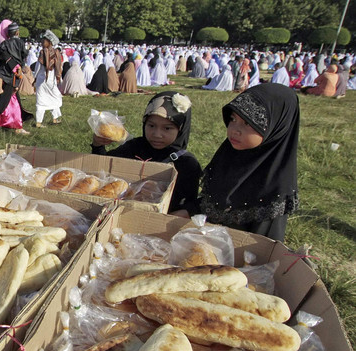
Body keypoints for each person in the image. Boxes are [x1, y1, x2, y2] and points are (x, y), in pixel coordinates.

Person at [197, 84, 300, 241]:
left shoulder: (274, 185)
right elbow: (207, 206)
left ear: (276, 127)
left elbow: (262, 248)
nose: (234, 130)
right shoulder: (227, 156)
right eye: (233, 119)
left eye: (248, 123)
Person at [91, 91, 202, 214]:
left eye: (167, 128)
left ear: (181, 129)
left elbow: (190, 204)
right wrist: (98, 145)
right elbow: (101, 170)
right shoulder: (133, 148)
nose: (157, 134)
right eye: (151, 126)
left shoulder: (186, 164)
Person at [33, 30, 63, 128]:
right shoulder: (56, 53)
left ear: (49, 42)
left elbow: (37, 67)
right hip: (48, 81)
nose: (42, 42)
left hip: (44, 80)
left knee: (44, 100)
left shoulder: (43, 53)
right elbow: (58, 67)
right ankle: (45, 121)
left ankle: (42, 121)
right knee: (53, 98)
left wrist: (34, 78)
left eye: (44, 40)